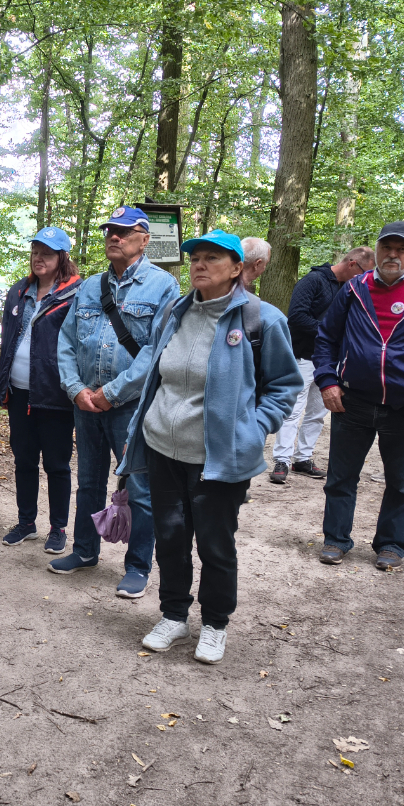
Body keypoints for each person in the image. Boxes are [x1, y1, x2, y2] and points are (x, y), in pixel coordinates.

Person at [120, 230, 301, 663]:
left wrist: (253, 430)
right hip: (163, 446)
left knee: (216, 545)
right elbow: (157, 375)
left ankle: (215, 624)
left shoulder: (262, 320)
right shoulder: (175, 312)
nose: (200, 264)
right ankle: (174, 616)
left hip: (219, 457)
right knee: (171, 537)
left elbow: (284, 386)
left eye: (212, 258)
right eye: (195, 257)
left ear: (237, 269)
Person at [313, 222, 404, 570]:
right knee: (340, 477)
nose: (392, 254)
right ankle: (336, 539)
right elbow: (325, 338)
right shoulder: (354, 288)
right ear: (376, 248)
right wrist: (327, 381)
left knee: (401, 481)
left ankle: (391, 545)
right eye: (386, 247)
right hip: (352, 401)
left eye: (401, 248)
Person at [52, 205, 178, 599]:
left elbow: (156, 351)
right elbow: (66, 342)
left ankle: (138, 567)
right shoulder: (89, 287)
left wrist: (113, 393)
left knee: (139, 488)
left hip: (133, 407)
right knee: (88, 482)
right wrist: (76, 389)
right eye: (110, 230)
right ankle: (84, 551)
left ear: (144, 238)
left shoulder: (164, 287)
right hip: (86, 405)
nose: (114, 236)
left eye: (123, 231)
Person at [0, 227, 82, 554]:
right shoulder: (19, 291)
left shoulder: (75, 294)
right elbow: (8, 343)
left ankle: (58, 527)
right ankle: (26, 522)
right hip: (19, 393)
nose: (39, 258)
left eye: (46, 253)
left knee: (57, 465)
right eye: (35, 251)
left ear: (62, 257)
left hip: (55, 396)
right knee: (24, 461)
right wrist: (3, 386)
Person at [271, 245, 376, 484]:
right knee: (292, 411)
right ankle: (282, 460)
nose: (365, 279)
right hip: (302, 357)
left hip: (329, 363)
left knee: (318, 413)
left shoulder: (351, 290)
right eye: (363, 273)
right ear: (352, 264)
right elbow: (297, 317)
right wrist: (331, 333)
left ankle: (303, 458)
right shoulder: (313, 281)